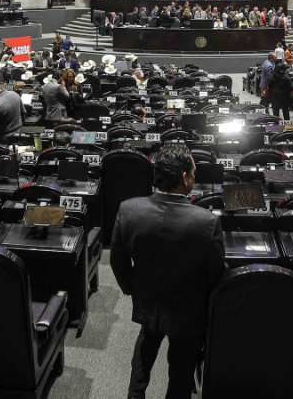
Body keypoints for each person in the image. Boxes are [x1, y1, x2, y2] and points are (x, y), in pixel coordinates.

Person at [111, 143, 227, 399]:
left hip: (148, 298)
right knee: (180, 372)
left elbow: (117, 260)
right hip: (188, 310)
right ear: (185, 177)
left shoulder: (129, 209)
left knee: (147, 340)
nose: (194, 178)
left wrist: (131, 288)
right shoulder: (207, 222)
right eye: (194, 174)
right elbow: (217, 274)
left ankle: (135, 394)